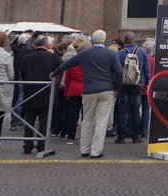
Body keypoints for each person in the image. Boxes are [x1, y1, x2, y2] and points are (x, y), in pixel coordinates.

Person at [51, 29, 122, 159]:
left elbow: (67, 64)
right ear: (104, 40)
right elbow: (119, 72)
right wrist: (116, 88)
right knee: (101, 122)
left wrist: (55, 73)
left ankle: (85, 149)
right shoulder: (111, 54)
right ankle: (96, 151)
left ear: (92, 41)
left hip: (89, 90)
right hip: (106, 90)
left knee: (87, 120)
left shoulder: (84, 54)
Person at [18, 35, 60, 154]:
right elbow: (59, 69)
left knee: (29, 120)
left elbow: (22, 72)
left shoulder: (27, 57)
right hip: (46, 92)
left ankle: (27, 145)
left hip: (30, 91)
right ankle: (41, 145)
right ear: (46, 45)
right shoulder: (52, 57)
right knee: (44, 120)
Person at [114, 31, 150, 145]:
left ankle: (121, 136)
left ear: (124, 40)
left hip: (123, 84)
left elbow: (117, 70)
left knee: (122, 111)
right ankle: (136, 136)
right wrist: (147, 82)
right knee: (135, 110)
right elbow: (146, 68)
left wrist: (116, 85)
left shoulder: (120, 53)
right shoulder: (142, 52)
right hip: (138, 83)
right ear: (134, 40)